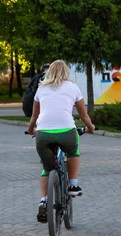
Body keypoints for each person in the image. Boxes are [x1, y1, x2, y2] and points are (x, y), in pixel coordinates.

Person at [27, 60, 95, 223]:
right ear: (66, 72)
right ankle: (73, 185)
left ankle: (43, 200)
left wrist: (31, 130)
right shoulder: (72, 87)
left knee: (47, 168)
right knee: (73, 151)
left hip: (43, 134)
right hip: (66, 132)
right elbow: (84, 116)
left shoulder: (41, 89)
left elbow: (34, 116)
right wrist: (90, 128)